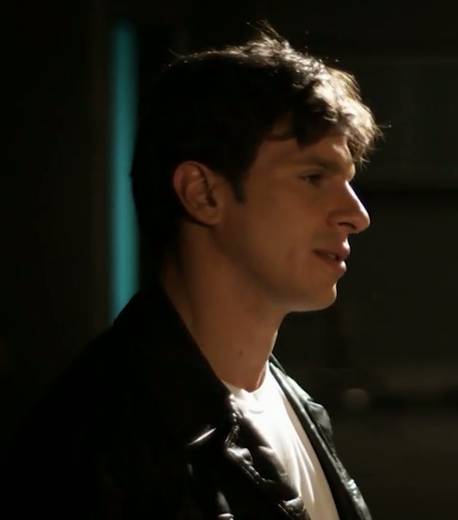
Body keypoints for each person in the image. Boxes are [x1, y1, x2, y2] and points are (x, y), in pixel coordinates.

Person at [7, 26, 377, 519]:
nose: (356, 215)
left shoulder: (291, 404)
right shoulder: (100, 446)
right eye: (313, 177)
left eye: (348, 182)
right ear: (203, 194)